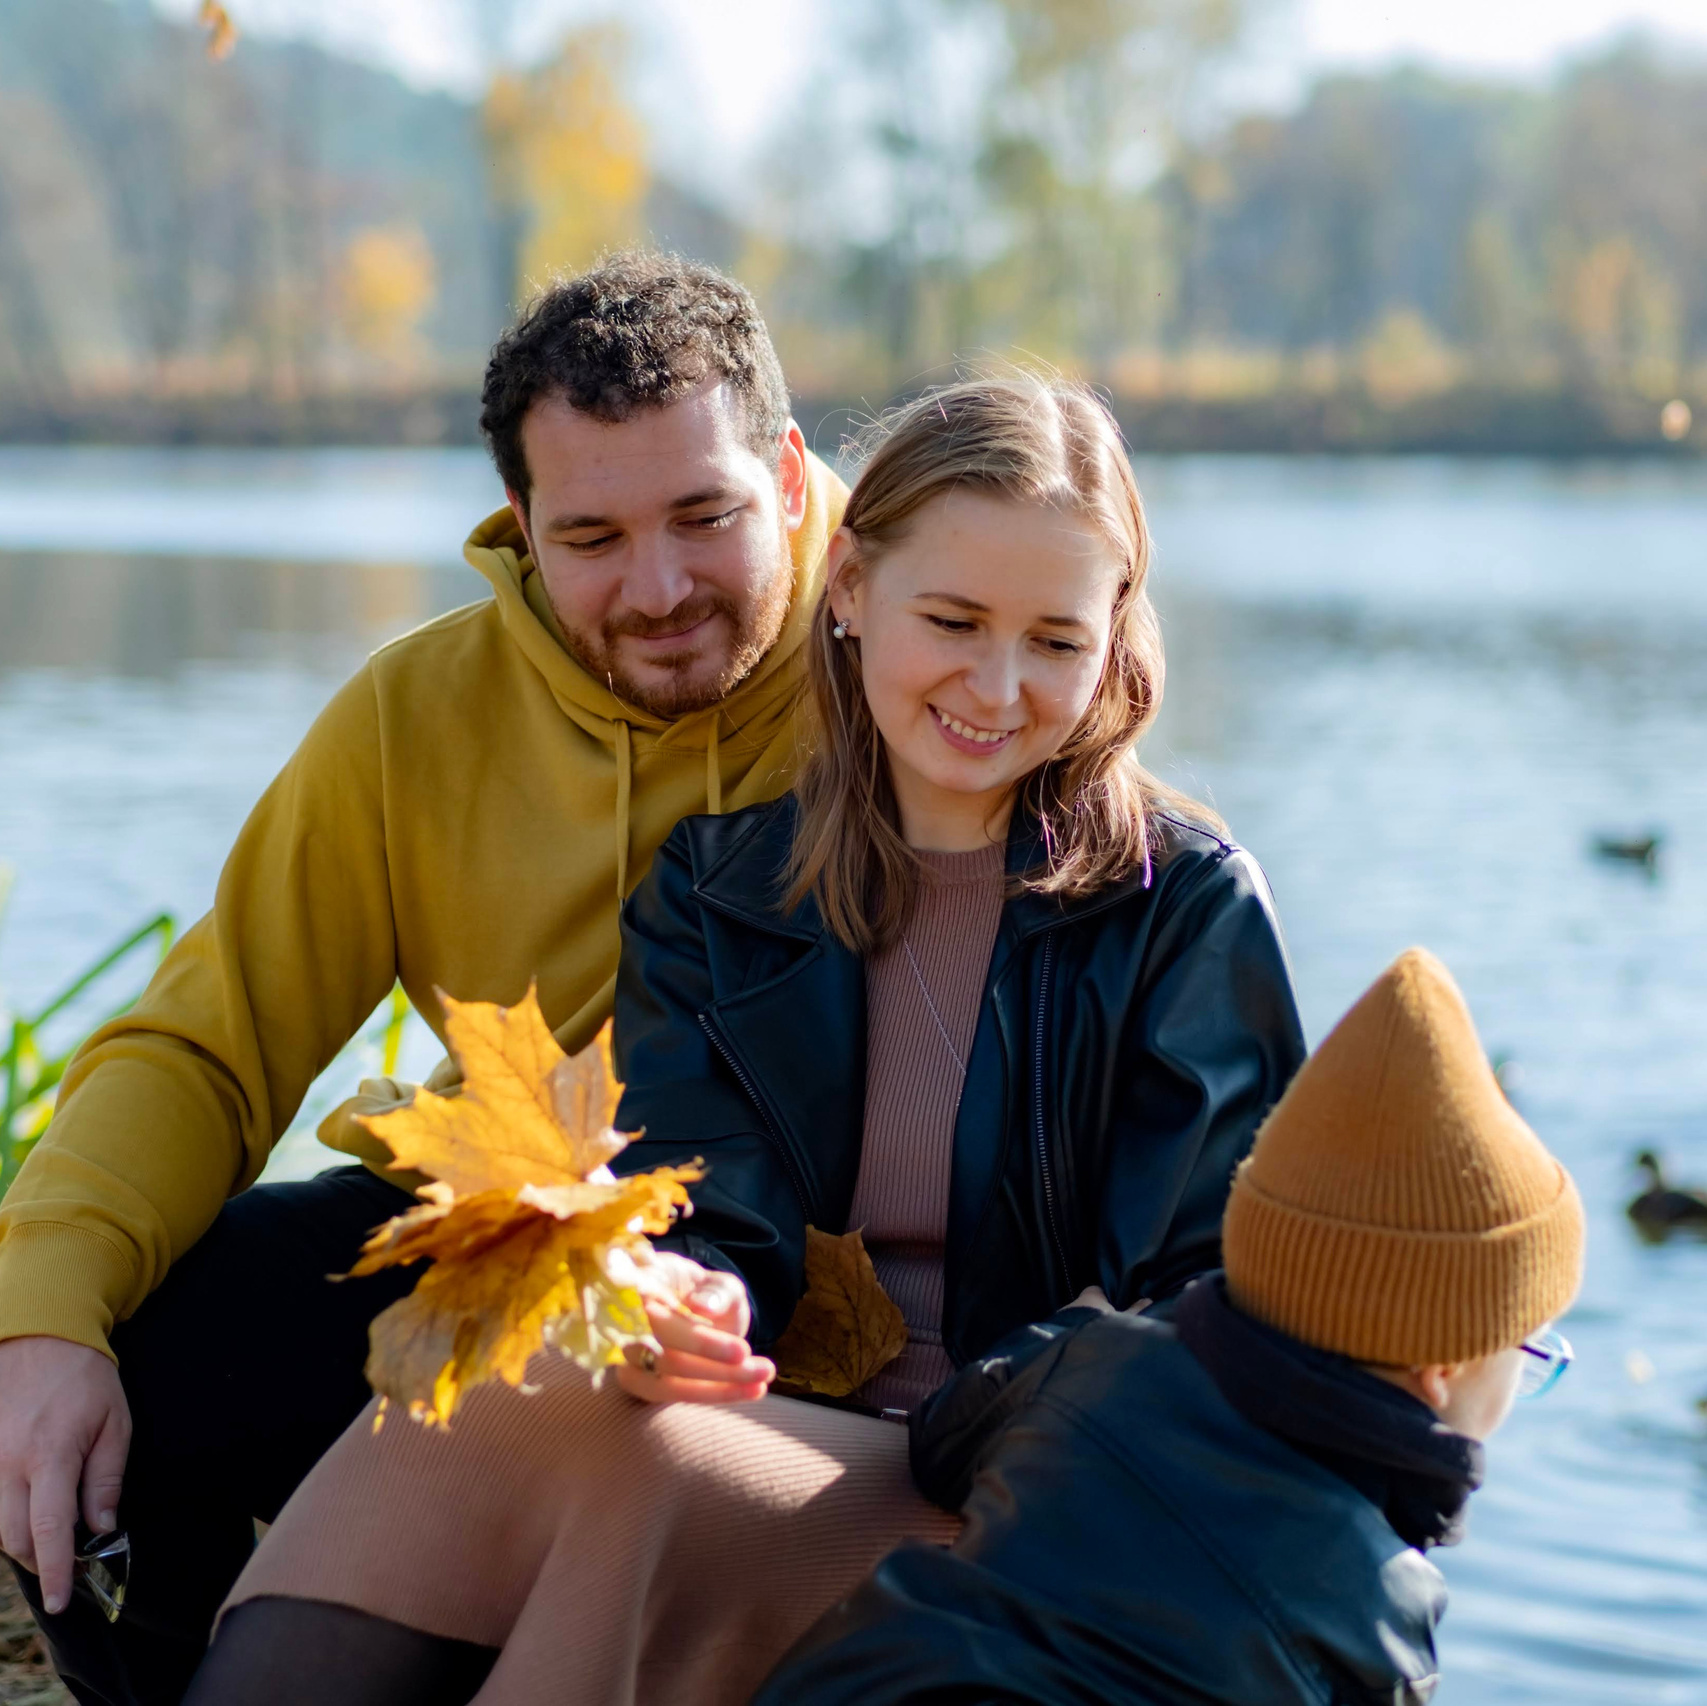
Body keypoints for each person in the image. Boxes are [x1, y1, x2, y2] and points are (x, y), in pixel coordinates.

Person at [182, 371, 1307, 1706]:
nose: (996, 686)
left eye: (1054, 640)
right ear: (846, 587)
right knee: (487, 1391)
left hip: (1024, 1490)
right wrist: (681, 1297)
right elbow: (710, 1210)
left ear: (1112, 636)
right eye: (949, 619)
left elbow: (1193, 1309)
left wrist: (939, 1412)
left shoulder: (1178, 908)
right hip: (778, 1415)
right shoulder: (718, 891)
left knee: (664, 1472)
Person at [0, 251, 852, 1706]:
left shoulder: (909, 647)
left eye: (702, 516)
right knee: (114, 1382)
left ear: (782, 473)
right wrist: (40, 1314)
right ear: (519, 525)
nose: (658, 589)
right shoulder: (413, 714)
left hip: (801, 1316)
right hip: (497, 1245)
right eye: (590, 535)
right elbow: (211, 1041)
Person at [755, 946, 1586, 1706]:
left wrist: (1073, 1330)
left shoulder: (1091, 1362)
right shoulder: (1375, 1613)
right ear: (1440, 1367)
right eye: (1527, 1349)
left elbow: (939, 1442)